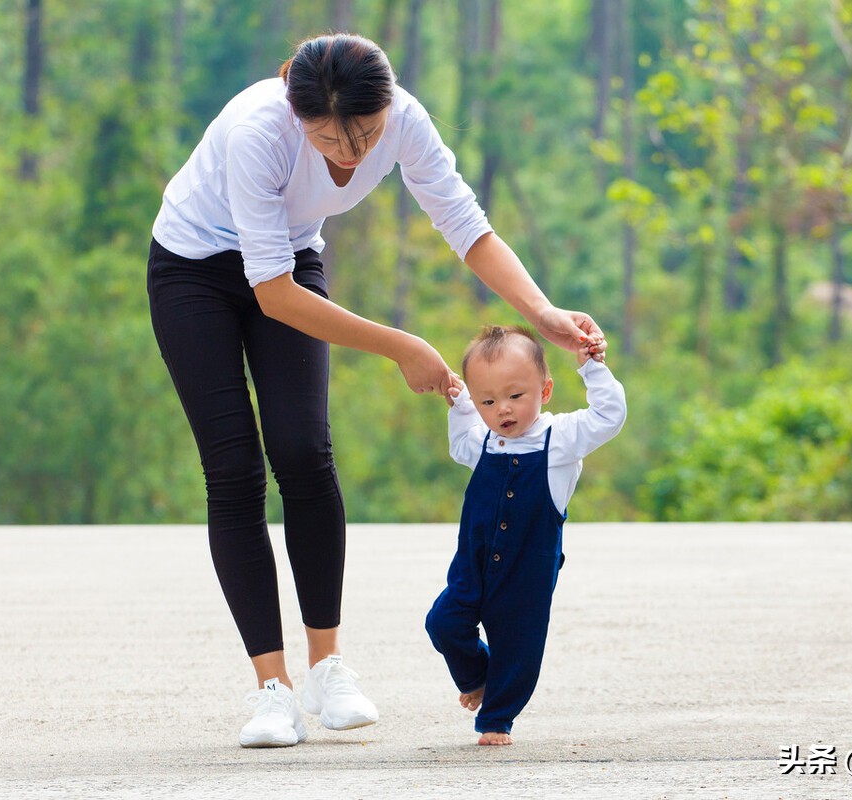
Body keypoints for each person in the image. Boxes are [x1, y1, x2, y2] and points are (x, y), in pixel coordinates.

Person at [146, 33, 608, 748]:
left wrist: (541, 313)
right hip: (193, 271)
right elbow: (271, 294)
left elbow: (466, 226)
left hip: (290, 258)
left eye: (363, 134)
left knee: (304, 451)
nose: (349, 154)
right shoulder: (257, 132)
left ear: (386, 107)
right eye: (328, 137)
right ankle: (272, 690)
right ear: (294, 107)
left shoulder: (406, 121)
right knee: (233, 468)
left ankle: (328, 668)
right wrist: (403, 346)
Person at [426, 325, 626, 745]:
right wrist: (460, 406)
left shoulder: (561, 439)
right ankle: (477, 677)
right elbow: (460, 443)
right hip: (473, 564)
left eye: (516, 396)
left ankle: (497, 719)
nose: (503, 410)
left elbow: (609, 416)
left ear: (545, 390)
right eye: (487, 401)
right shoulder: (483, 441)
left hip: (527, 568)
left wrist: (592, 369)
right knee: (443, 622)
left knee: (517, 646)